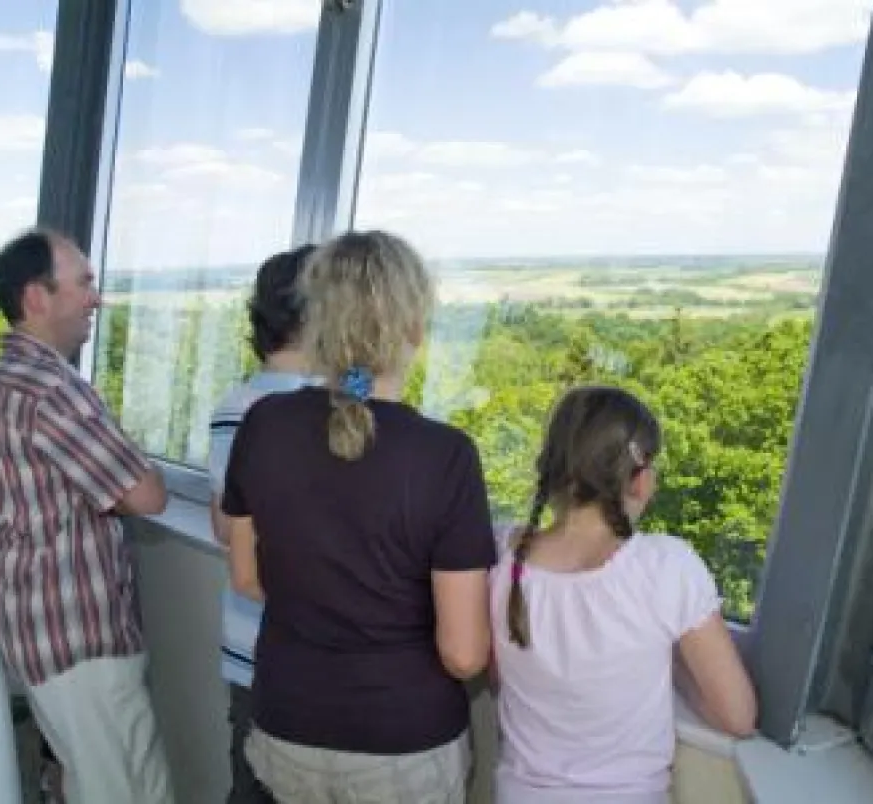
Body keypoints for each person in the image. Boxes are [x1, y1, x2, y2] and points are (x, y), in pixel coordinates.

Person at [220, 230, 497, 803]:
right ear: (414, 328)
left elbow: (246, 578)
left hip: (286, 726)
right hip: (401, 744)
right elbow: (464, 653)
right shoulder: (444, 456)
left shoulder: (263, 423)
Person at [0, 227, 175, 804]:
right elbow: (147, 495)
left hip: (40, 627)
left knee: (99, 779)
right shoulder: (51, 389)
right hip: (78, 637)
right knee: (121, 789)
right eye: (83, 282)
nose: (96, 298)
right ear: (36, 297)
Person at [489, 386, 757, 804]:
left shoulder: (501, 556)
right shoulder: (666, 567)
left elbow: (499, 671)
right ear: (641, 480)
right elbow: (737, 716)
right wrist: (674, 667)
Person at [205, 244, 316, 804]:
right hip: (300, 649)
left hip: (249, 643)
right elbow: (233, 527)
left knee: (252, 784)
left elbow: (226, 523)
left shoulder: (235, 403)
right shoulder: (326, 411)